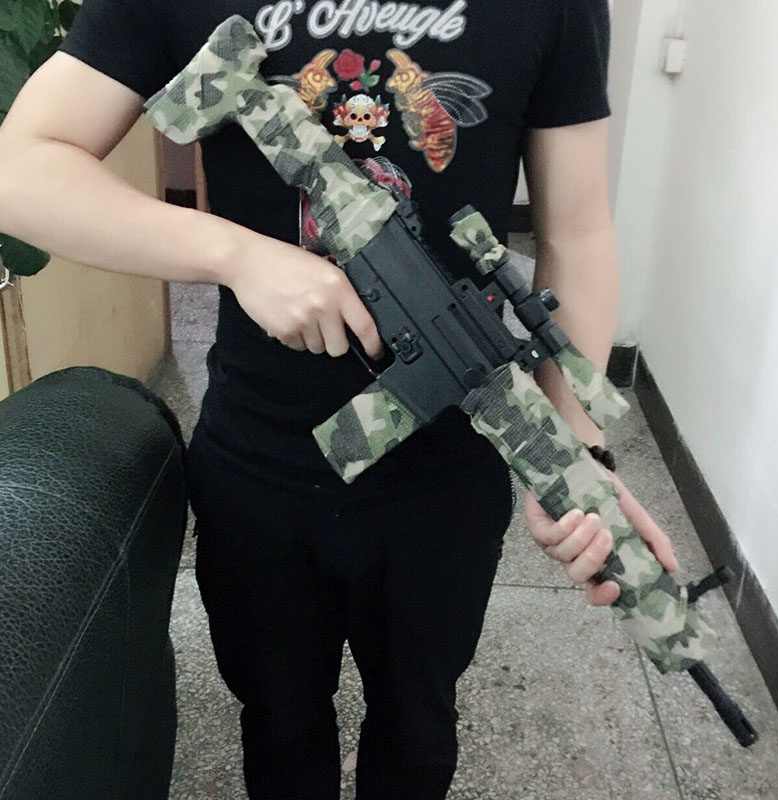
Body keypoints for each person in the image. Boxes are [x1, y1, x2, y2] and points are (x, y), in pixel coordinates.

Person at [0, 1, 678, 797]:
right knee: (280, 728)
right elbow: (19, 170)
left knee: (418, 733)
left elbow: (578, 235)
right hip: (259, 467)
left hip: (446, 485)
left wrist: (577, 452)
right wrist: (237, 255)